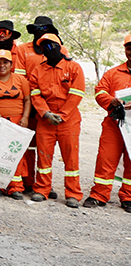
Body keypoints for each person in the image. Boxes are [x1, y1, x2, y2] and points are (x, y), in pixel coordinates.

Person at [28, 32, 84, 207]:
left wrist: (62, 115)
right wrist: (45, 113)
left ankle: (73, 194)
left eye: (51, 45)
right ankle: (42, 189)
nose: (48, 49)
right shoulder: (38, 70)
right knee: (43, 158)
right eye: (44, 46)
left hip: (69, 121)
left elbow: (77, 94)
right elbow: (35, 95)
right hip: (45, 121)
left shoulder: (74, 68)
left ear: (59, 47)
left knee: (71, 158)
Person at [85, 33, 131, 210]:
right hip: (115, 125)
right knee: (106, 159)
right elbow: (99, 91)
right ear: (125, 49)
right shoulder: (113, 73)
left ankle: (128, 197)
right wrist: (111, 100)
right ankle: (99, 195)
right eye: (129, 48)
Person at [0, 49, 30, 201]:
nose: (2, 65)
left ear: (11, 64)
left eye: (5, 62)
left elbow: (27, 100)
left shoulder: (20, 80)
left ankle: (16, 187)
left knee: (15, 154)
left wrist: (25, 117)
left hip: (16, 121)